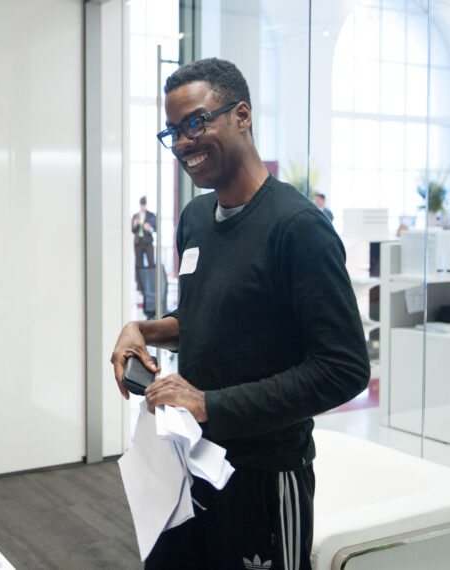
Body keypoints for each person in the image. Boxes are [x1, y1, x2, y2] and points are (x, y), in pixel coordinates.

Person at [110, 58, 369, 570]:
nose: (184, 142)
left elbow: (344, 369)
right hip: (188, 460)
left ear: (243, 115)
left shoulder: (298, 229)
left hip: (264, 477)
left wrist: (210, 403)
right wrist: (142, 329)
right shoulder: (196, 218)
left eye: (196, 122)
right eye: (173, 131)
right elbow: (206, 318)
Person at [132, 196, 157, 270]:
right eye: (141, 205)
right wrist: (134, 225)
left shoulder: (151, 215)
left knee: (151, 263)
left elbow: (155, 229)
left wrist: (150, 229)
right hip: (138, 243)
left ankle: (152, 281)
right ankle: (139, 281)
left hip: (148, 242)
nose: (142, 207)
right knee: (138, 264)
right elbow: (132, 230)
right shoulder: (135, 216)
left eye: (144, 205)